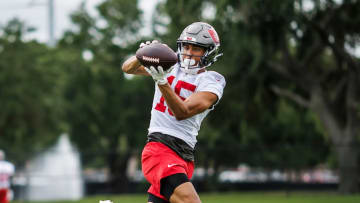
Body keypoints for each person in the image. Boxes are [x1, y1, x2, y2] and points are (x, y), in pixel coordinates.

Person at [122, 22, 226, 203]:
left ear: (209, 53)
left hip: (184, 154)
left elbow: (182, 111)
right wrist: (143, 55)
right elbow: (127, 68)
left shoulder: (212, 80)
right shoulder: (171, 63)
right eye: (186, 46)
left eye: (196, 48)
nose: (189, 52)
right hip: (160, 148)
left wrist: (162, 81)